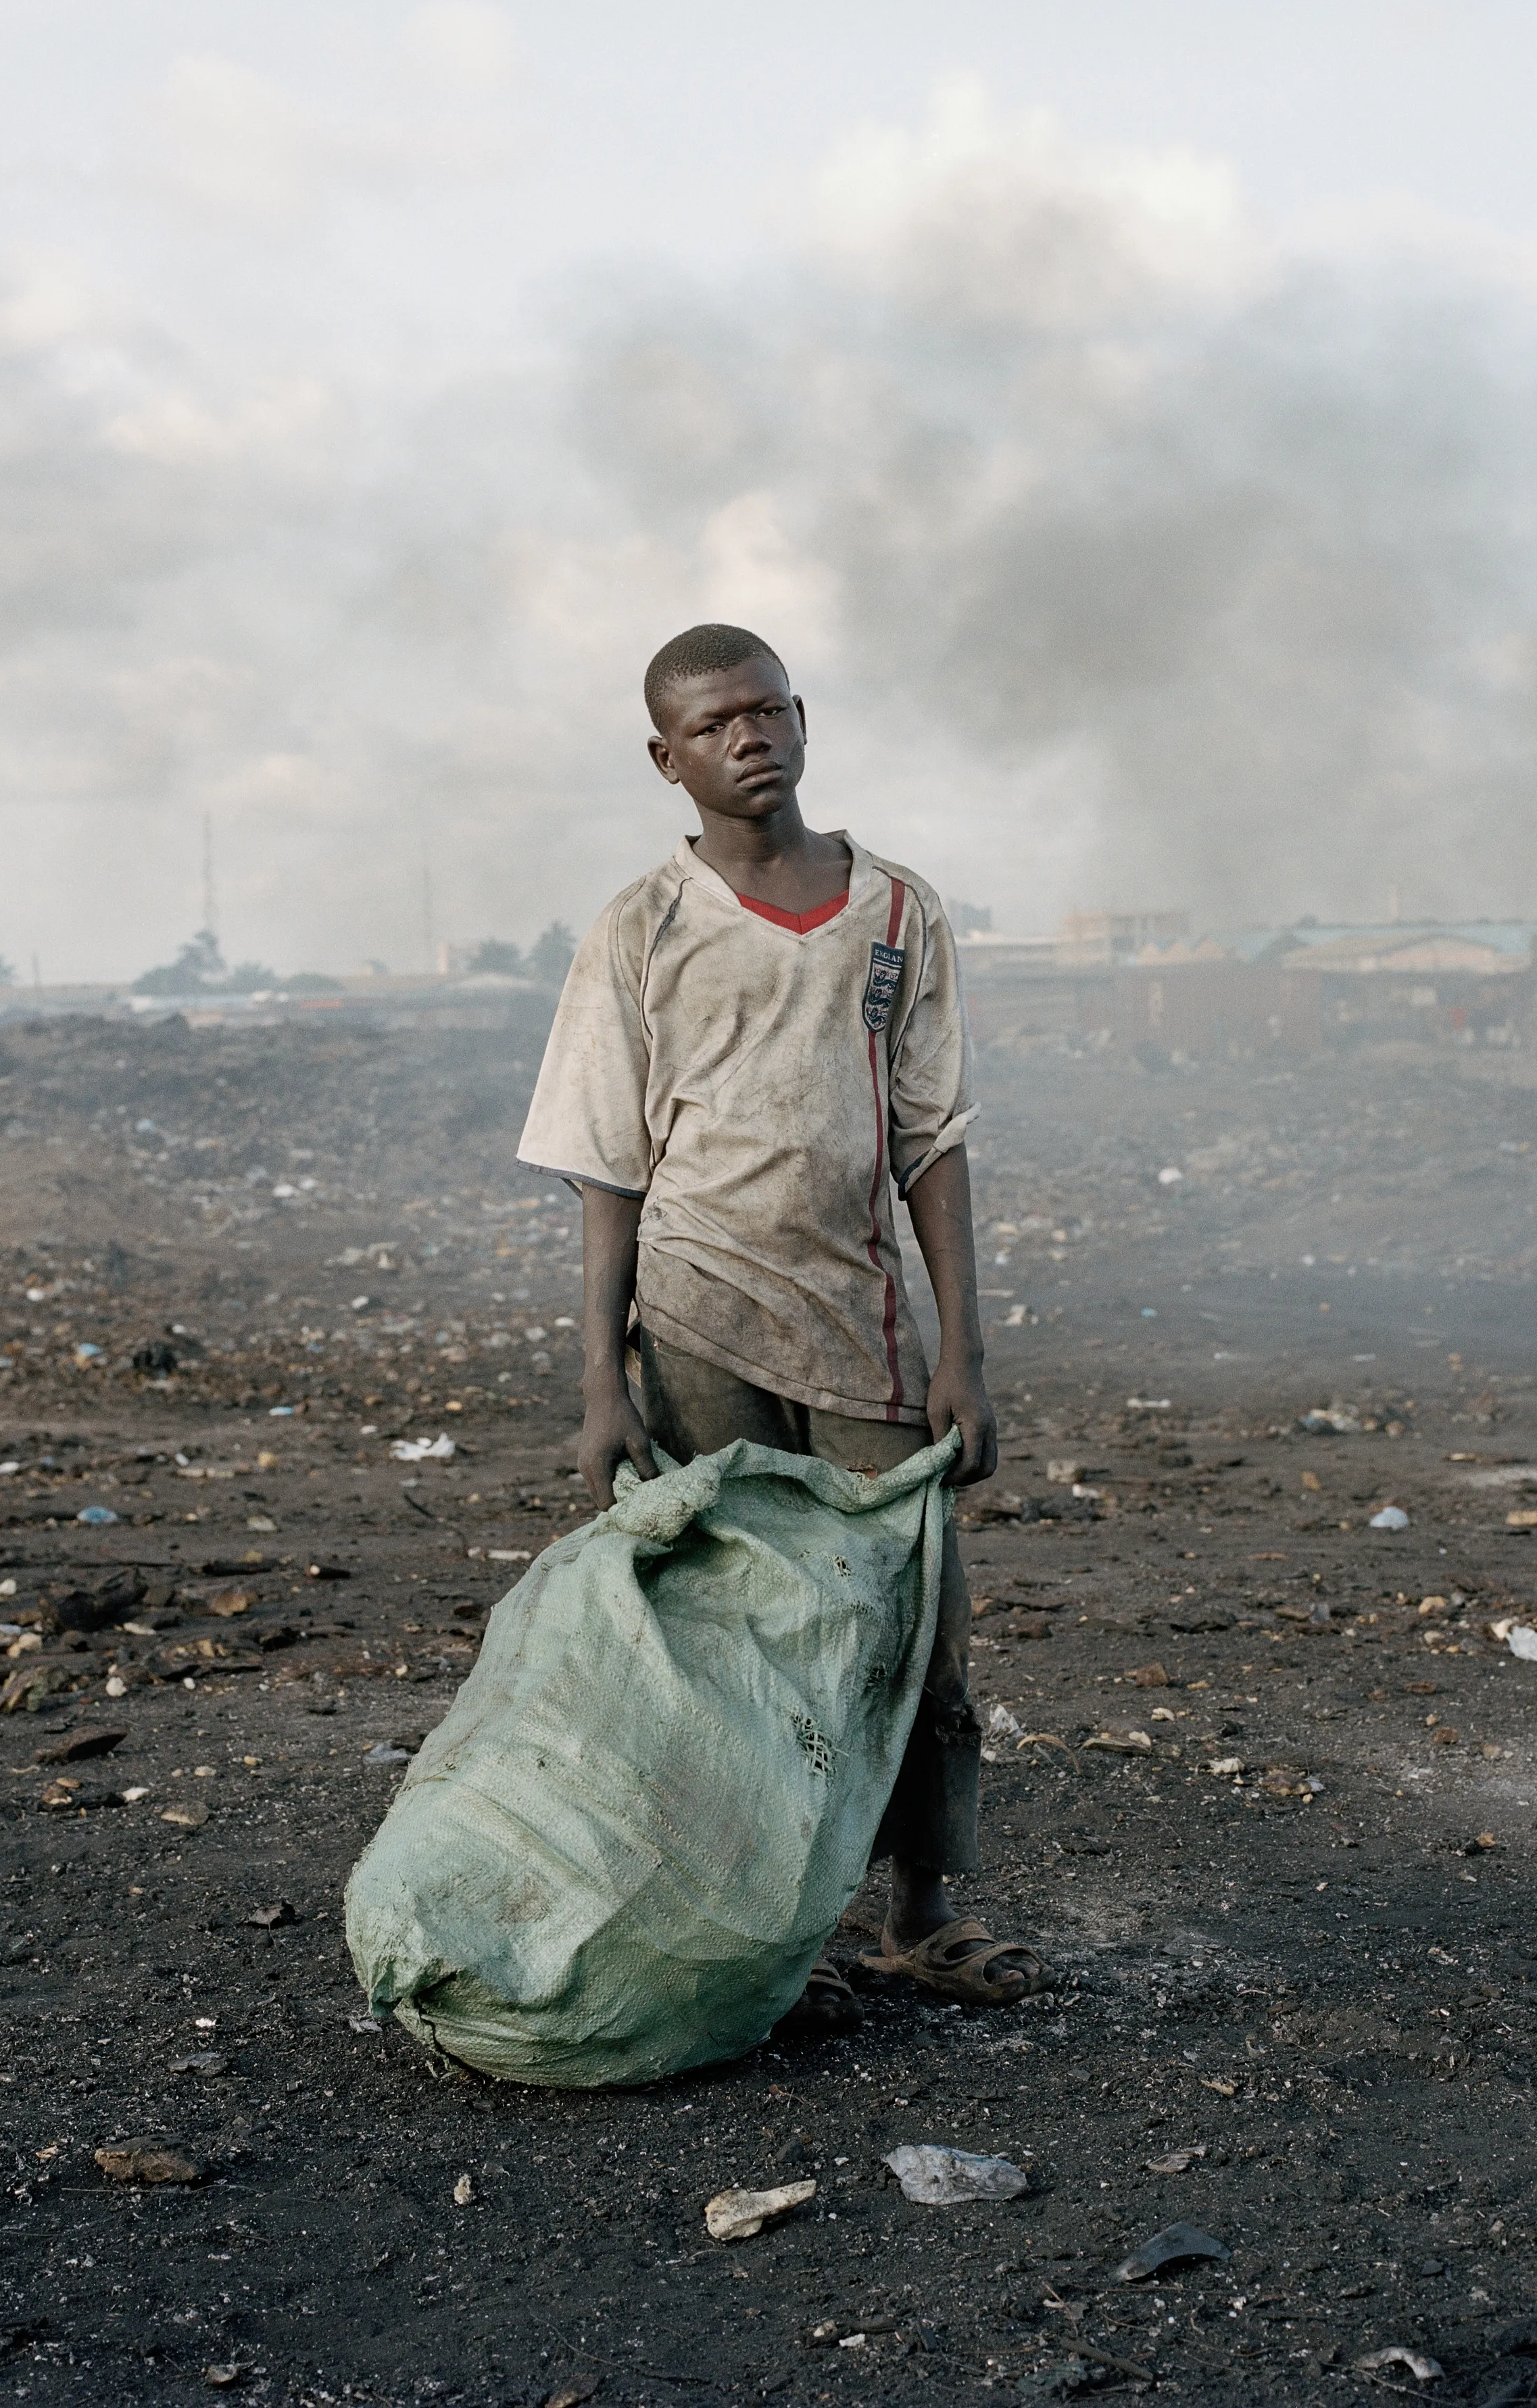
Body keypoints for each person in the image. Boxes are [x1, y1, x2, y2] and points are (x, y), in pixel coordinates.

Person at [516, 620, 1042, 2029]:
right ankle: (769, 1925)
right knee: (735, 1634)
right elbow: (609, 1165)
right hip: (696, 1314)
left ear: (803, 720)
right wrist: (599, 1386)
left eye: (767, 709)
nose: (750, 736)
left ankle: (921, 1910)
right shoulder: (642, 928)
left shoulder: (896, 911)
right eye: (715, 724)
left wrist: (962, 1350)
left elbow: (932, 1135)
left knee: (911, 1612)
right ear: (665, 758)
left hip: (860, 1309)